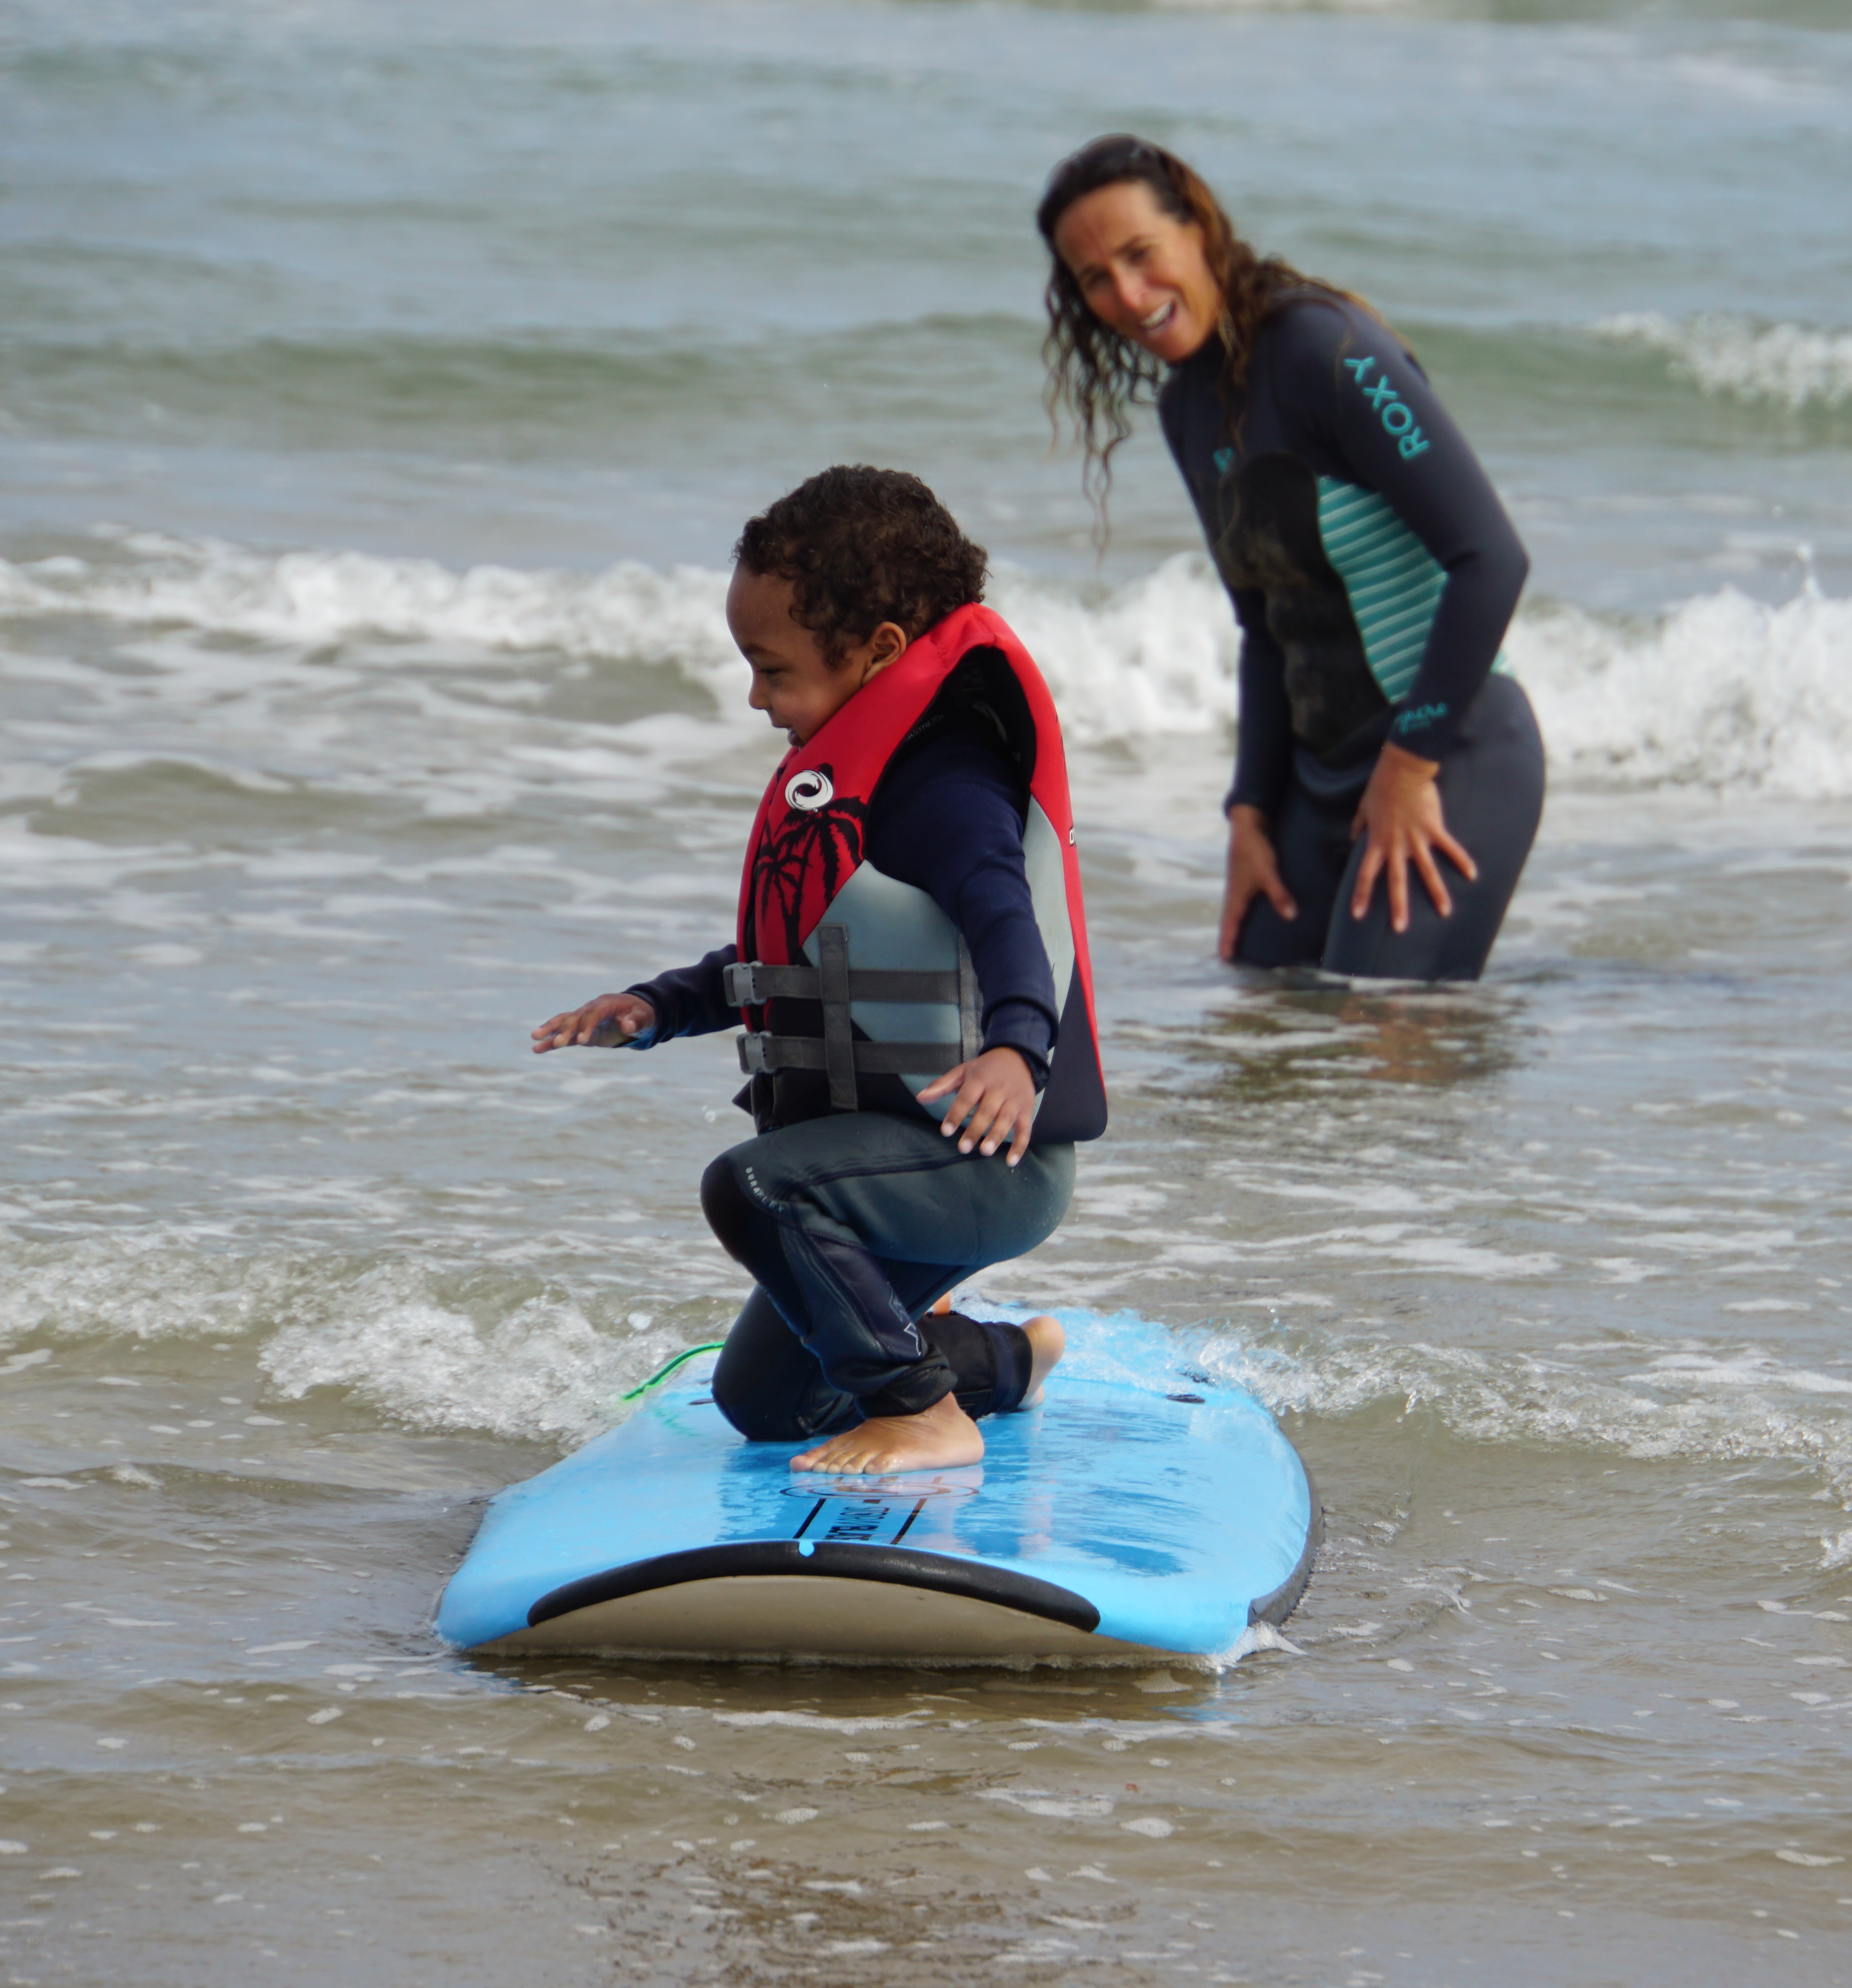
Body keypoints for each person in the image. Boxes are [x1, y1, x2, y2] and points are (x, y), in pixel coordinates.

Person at [532, 466, 1107, 1476]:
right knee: (764, 1399)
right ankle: (1006, 1361)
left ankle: (926, 1413)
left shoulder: (946, 788)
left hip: (982, 1158)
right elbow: (802, 960)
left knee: (752, 1184)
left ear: (878, 649)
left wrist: (1020, 1049)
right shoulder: (855, 780)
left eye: (772, 668)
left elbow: (1006, 919)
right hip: (894, 1158)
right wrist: (657, 1006)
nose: (756, 697)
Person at [1038, 134, 1544, 982]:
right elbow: (1265, 630)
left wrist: (1410, 766)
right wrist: (1249, 815)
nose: (1128, 295)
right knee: (1259, 1018)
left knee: (1376, 1023)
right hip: (1317, 784)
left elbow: (1491, 559)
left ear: (1198, 228)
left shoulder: (1323, 349)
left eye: (1141, 254)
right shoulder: (1187, 409)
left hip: (1448, 753)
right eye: (1095, 278)